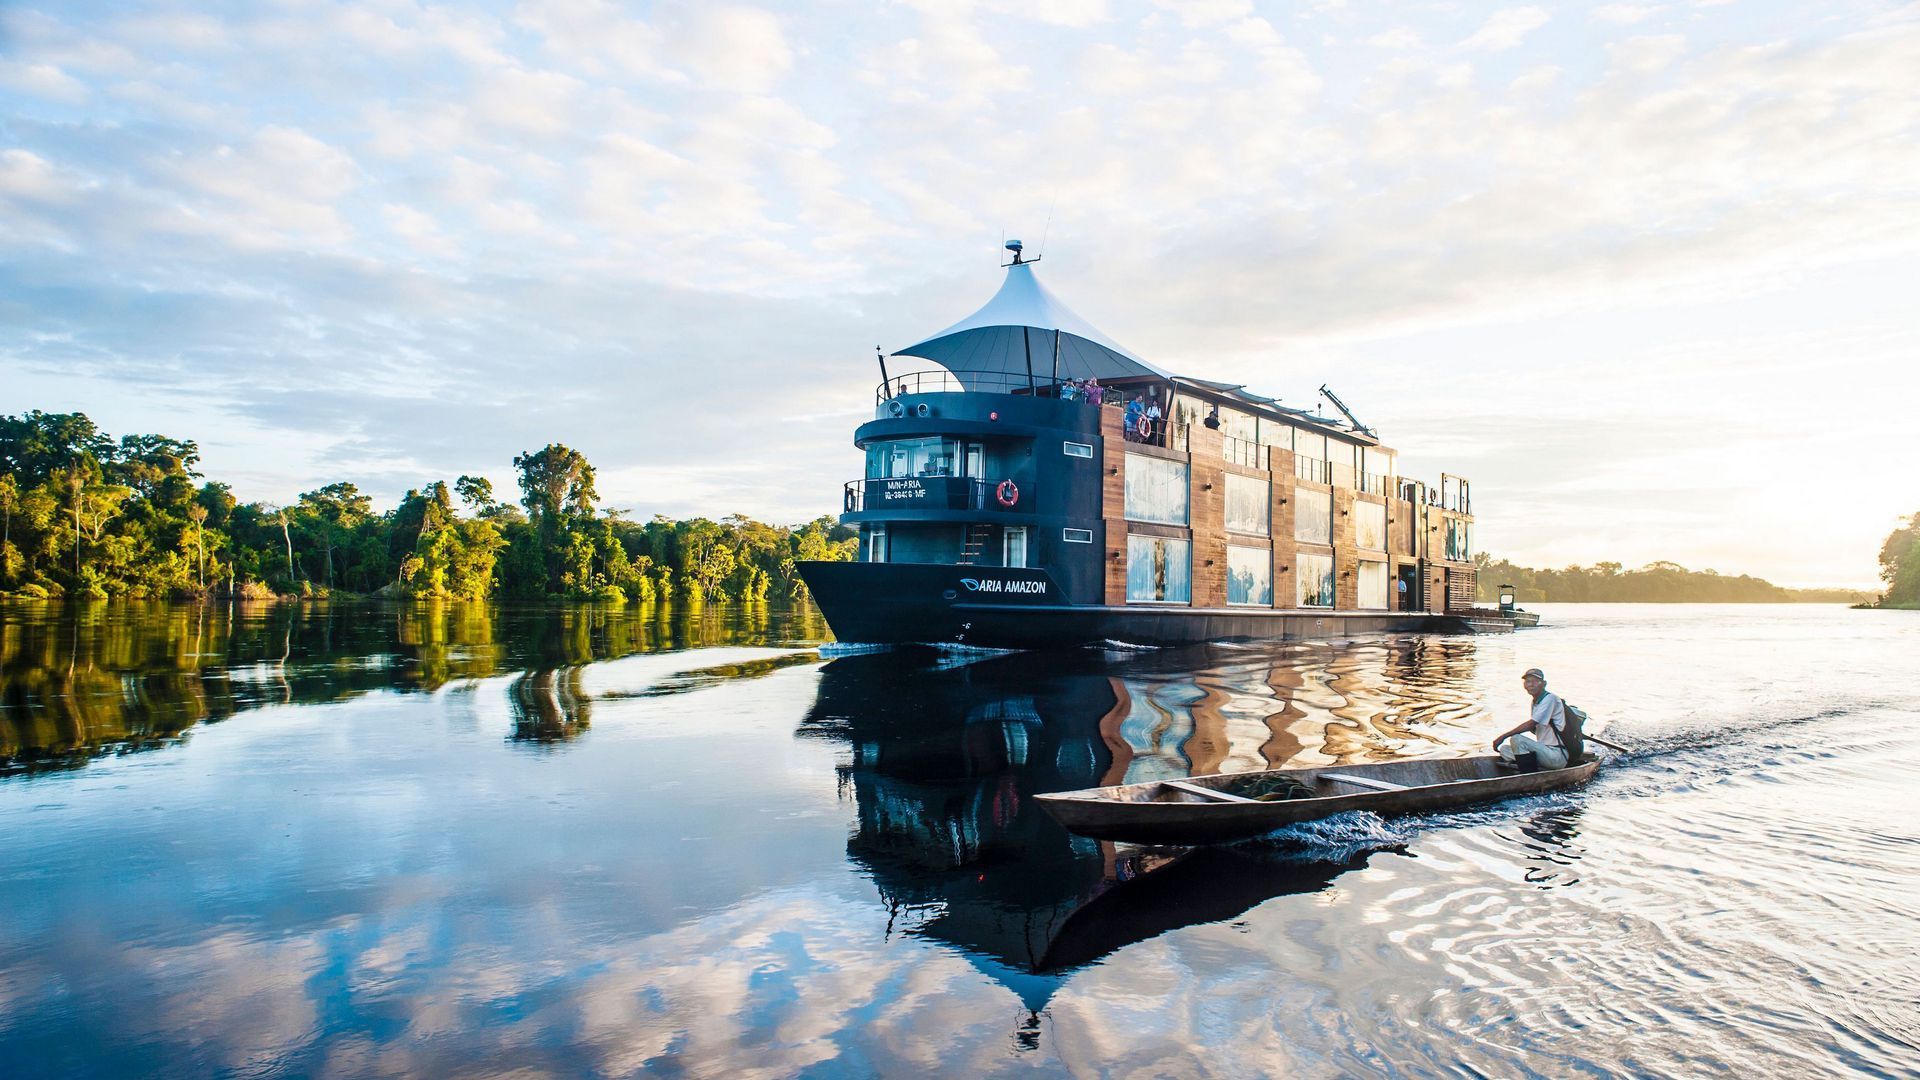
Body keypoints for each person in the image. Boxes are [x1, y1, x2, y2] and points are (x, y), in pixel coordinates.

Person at [1492, 667, 1568, 770]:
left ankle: (1529, 773)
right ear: (1524, 685)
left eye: (1535, 681)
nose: (1531, 684)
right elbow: (1534, 729)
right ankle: (1531, 765)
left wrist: (1503, 736)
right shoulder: (1535, 702)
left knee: (1516, 739)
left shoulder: (1550, 699)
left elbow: (1531, 724)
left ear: (1544, 684)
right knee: (1505, 749)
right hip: (1545, 752)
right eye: (1528, 681)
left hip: (1556, 755)